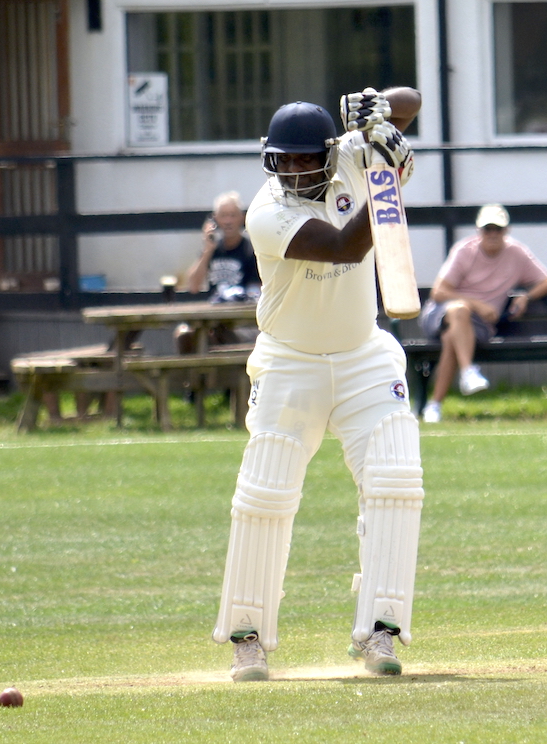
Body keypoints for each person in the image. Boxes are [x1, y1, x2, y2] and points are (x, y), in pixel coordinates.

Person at [213, 86, 424, 682]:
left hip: (363, 354)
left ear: (330, 152)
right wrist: (392, 181)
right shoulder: (267, 212)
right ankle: (248, 639)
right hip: (290, 361)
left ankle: (380, 634)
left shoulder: (356, 155)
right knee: (266, 495)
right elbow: (342, 248)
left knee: (396, 481)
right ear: (269, 159)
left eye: (309, 158)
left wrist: (382, 116)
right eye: (286, 160)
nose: (298, 170)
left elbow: (411, 100)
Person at [418, 205, 547, 423]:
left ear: (506, 230)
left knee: (452, 338)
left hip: (478, 325)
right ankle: (468, 371)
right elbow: (438, 292)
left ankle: (434, 406)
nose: (492, 234)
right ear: (478, 230)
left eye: (497, 229)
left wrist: (525, 297)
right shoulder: (464, 251)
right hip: (440, 314)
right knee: (459, 310)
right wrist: (477, 304)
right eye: (487, 229)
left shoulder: (517, 253)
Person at [175, 192, 261, 352]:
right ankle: (192, 377)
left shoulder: (251, 250)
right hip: (213, 317)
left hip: (240, 321)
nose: (228, 221)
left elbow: (255, 293)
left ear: (242, 218)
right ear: (215, 219)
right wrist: (207, 250)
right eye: (223, 216)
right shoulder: (212, 250)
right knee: (184, 334)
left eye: (232, 215)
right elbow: (193, 286)